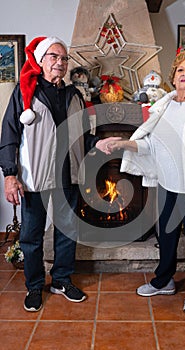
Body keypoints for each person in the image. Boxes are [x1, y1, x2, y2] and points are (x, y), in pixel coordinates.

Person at [107, 49, 185, 314]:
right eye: (180, 70)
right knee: (166, 235)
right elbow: (150, 144)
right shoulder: (164, 105)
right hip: (167, 184)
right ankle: (164, 280)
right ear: (173, 77)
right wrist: (120, 143)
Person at [0, 36, 118, 312]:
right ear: (41, 61)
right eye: (54, 56)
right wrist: (9, 174)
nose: (60, 62)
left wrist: (97, 143)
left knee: (68, 231)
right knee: (31, 234)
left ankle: (61, 280)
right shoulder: (24, 92)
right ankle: (34, 285)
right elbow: (9, 135)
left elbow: (82, 135)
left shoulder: (74, 95)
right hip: (35, 178)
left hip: (69, 174)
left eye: (64, 58)